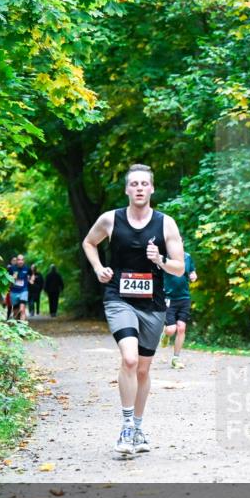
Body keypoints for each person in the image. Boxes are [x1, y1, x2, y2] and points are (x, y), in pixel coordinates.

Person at [82, 164, 185, 455]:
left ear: (152, 189)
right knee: (129, 359)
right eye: (134, 184)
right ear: (127, 189)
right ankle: (126, 426)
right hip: (119, 298)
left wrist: (160, 260)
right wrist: (98, 268)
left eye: (144, 184)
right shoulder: (110, 219)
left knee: (142, 368)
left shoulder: (166, 224)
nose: (139, 188)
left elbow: (179, 268)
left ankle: (138, 427)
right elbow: (89, 242)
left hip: (153, 304)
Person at [161, 250, 197, 368]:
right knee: (171, 329)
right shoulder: (164, 257)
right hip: (169, 298)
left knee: (181, 328)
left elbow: (192, 271)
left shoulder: (187, 257)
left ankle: (175, 358)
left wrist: (193, 275)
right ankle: (166, 334)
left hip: (184, 298)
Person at [7, 254, 34, 322]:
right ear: (16, 261)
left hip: (23, 290)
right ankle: (17, 325)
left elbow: (32, 274)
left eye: (22, 260)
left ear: (24, 261)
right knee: (16, 312)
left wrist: (31, 280)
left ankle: (23, 325)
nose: (20, 261)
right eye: (19, 260)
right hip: (14, 292)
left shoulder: (27, 268)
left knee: (22, 309)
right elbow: (6, 278)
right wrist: (12, 278)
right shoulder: (12, 268)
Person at [5, 256, 19, 320]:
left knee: (16, 304)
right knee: (9, 304)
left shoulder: (19, 268)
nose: (15, 261)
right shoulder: (9, 268)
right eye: (13, 260)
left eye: (16, 260)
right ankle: (8, 317)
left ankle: (16, 318)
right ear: (11, 261)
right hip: (10, 288)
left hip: (17, 289)